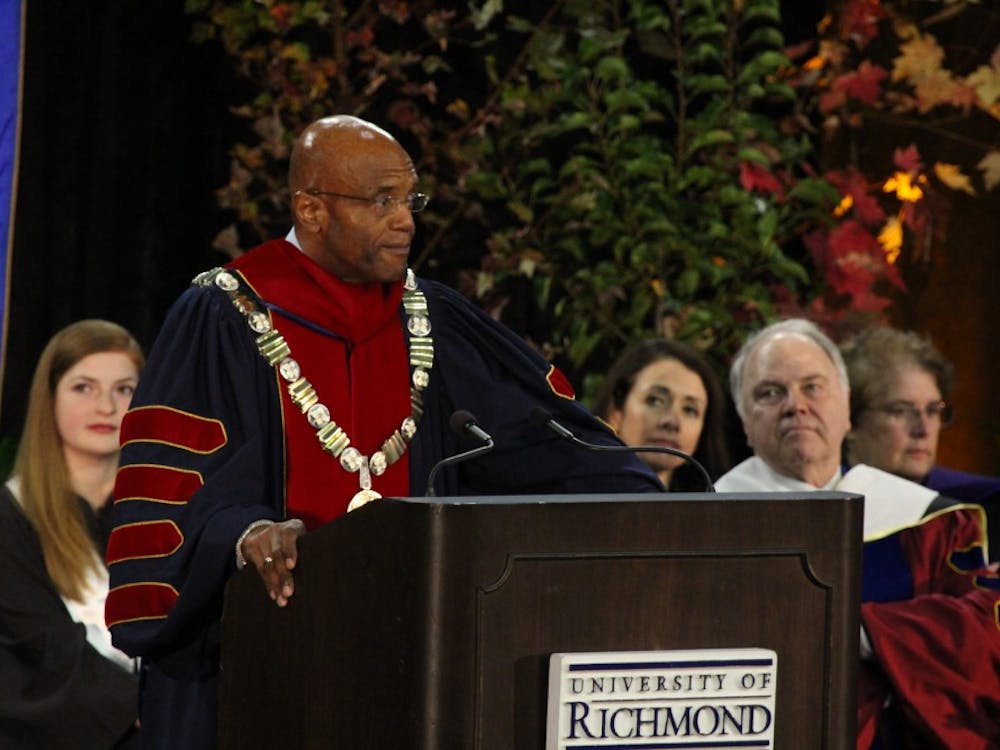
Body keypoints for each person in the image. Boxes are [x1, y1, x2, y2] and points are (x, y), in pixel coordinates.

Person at [105, 114, 662, 749]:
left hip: (415, 666)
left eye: (410, 199)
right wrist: (244, 533)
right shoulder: (222, 315)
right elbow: (167, 503)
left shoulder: (437, 323)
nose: (407, 221)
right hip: (252, 675)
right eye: (382, 201)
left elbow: (556, 450)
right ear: (311, 210)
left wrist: (652, 509)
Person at [715, 317, 1000, 749]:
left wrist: (862, 634)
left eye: (813, 387)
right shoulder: (706, 524)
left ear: (846, 407)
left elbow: (978, 639)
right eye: (770, 393)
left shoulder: (930, 522)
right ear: (744, 423)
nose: (796, 405)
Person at [0, 319, 143, 749]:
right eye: (84, 387)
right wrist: (152, 707)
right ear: (49, 399)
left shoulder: (169, 518)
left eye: (125, 390)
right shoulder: (11, 519)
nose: (106, 406)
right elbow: (43, 652)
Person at [841, 325, 1000, 558]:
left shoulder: (977, 505)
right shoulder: (826, 508)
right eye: (901, 411)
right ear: (850, 421)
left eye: (933, 410)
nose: (923, 429)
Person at [592, 338, 731, 490]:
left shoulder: (717, 507)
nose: (672, 422)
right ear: (615, 412)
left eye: (690, 410)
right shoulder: (572, 500)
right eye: (655, 401)